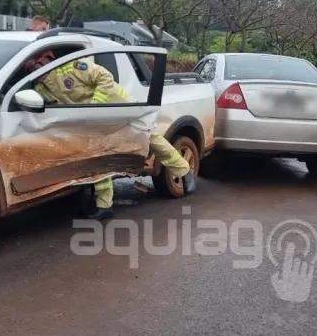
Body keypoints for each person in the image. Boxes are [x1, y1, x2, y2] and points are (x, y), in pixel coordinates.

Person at [23, 50, 198, 220]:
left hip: (121, 107)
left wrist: (96, 106)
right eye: (30, 68)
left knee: (151, 139)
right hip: (94, 122)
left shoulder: (72, 67)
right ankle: (104, 206)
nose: (35, 70)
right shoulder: (41, 88)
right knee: (98, 158)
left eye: (37, 65)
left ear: (47, 60)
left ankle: (184, 172)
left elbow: (104, 77)